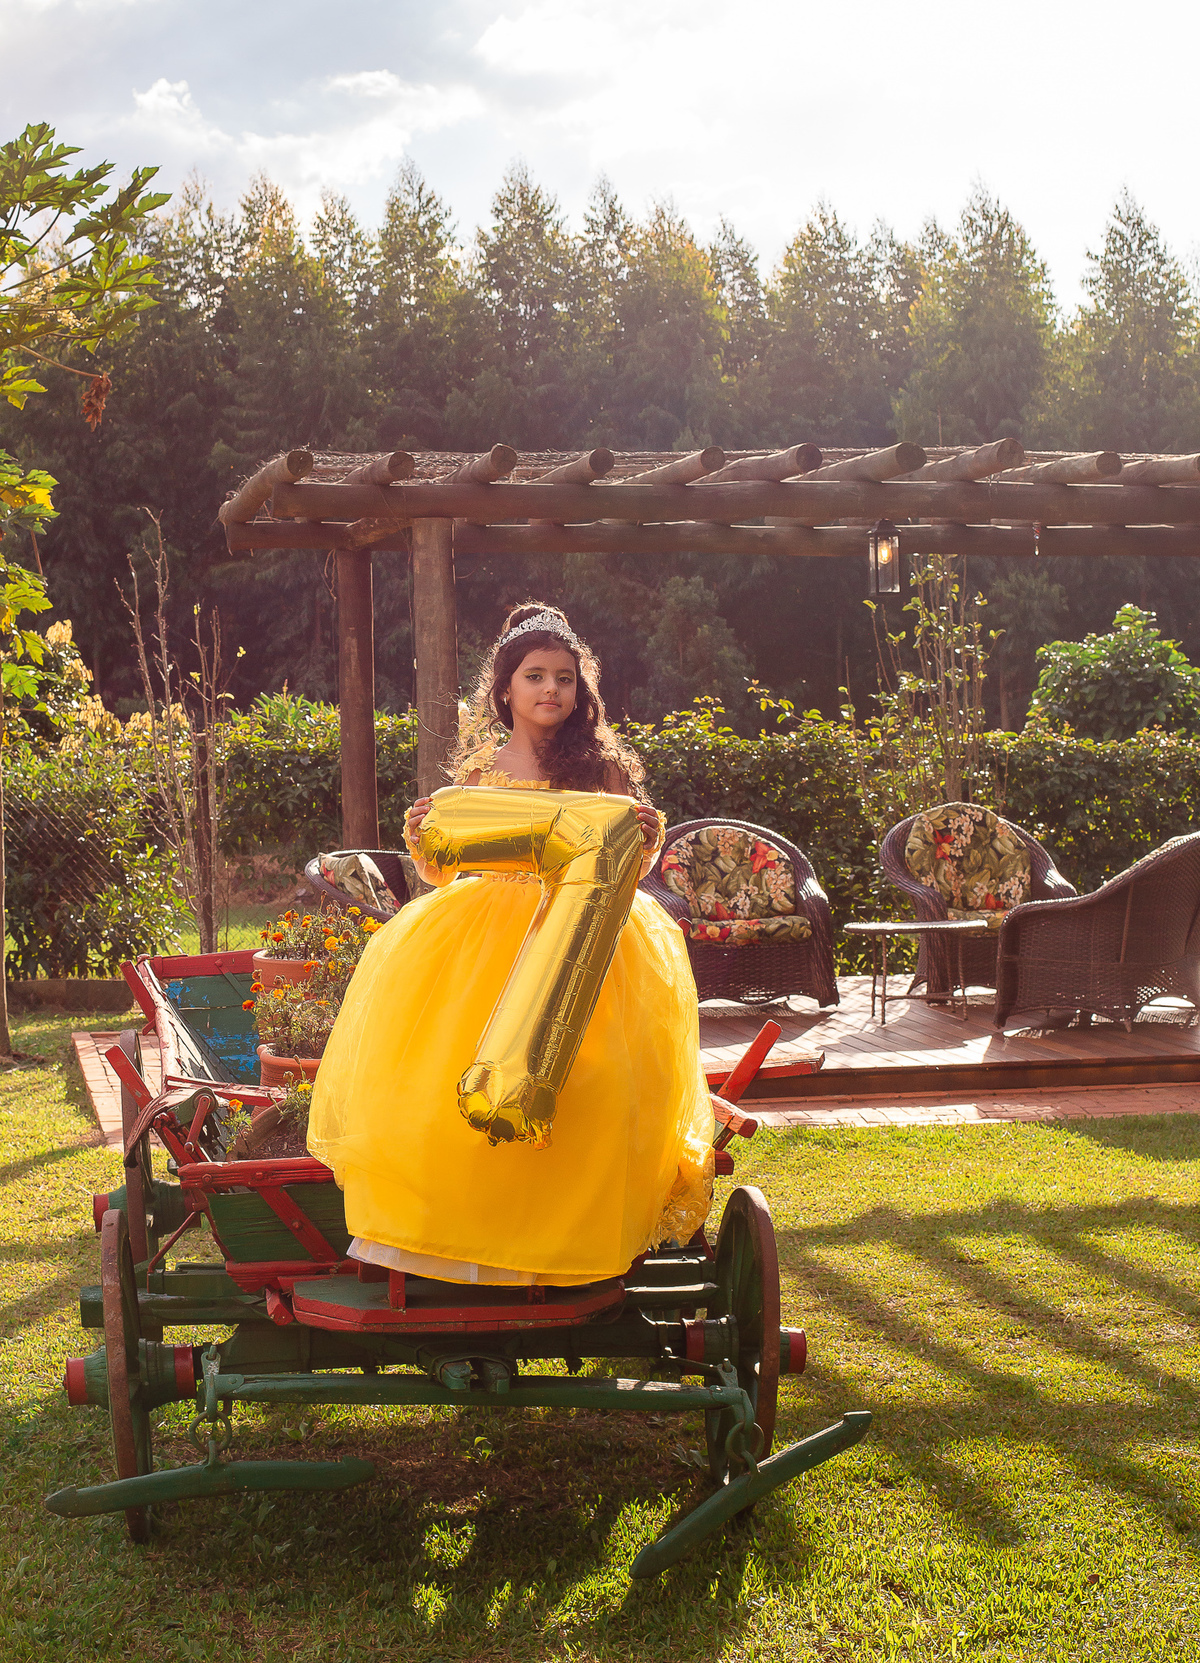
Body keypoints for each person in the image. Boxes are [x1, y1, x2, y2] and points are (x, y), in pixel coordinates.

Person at [307, 602, 714, 1286]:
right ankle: (463, 1245)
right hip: (484, 932)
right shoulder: (480, 770)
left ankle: (568, 1244)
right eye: (535, 676)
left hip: (584, 940)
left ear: (581, 689)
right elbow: (443, 872)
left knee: (596, 1083)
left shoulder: (603, 768)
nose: (551, 689)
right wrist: (424, 835)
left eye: (564, 678)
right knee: (443, 1074)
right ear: (505, 689)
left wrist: (643, 839)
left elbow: (629, 867)